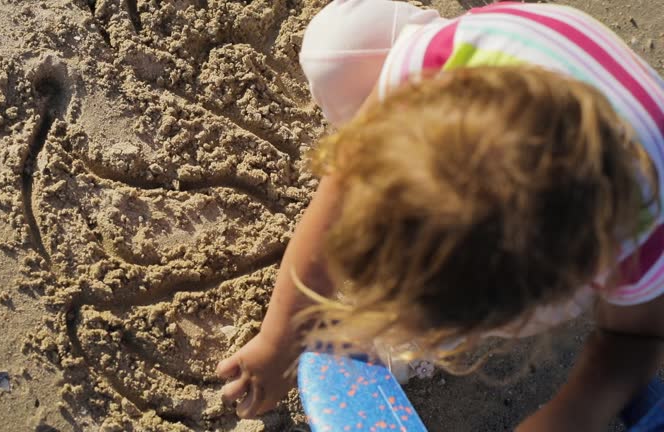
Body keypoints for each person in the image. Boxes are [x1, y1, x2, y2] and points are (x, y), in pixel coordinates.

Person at [216, 1, 664, 430]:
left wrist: (569, 416)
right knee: (334, 47)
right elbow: (337, 190)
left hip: (608, 132)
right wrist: (280, 338)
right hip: (501, 44)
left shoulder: (646, 234)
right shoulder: (429, 71)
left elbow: (634, 341)